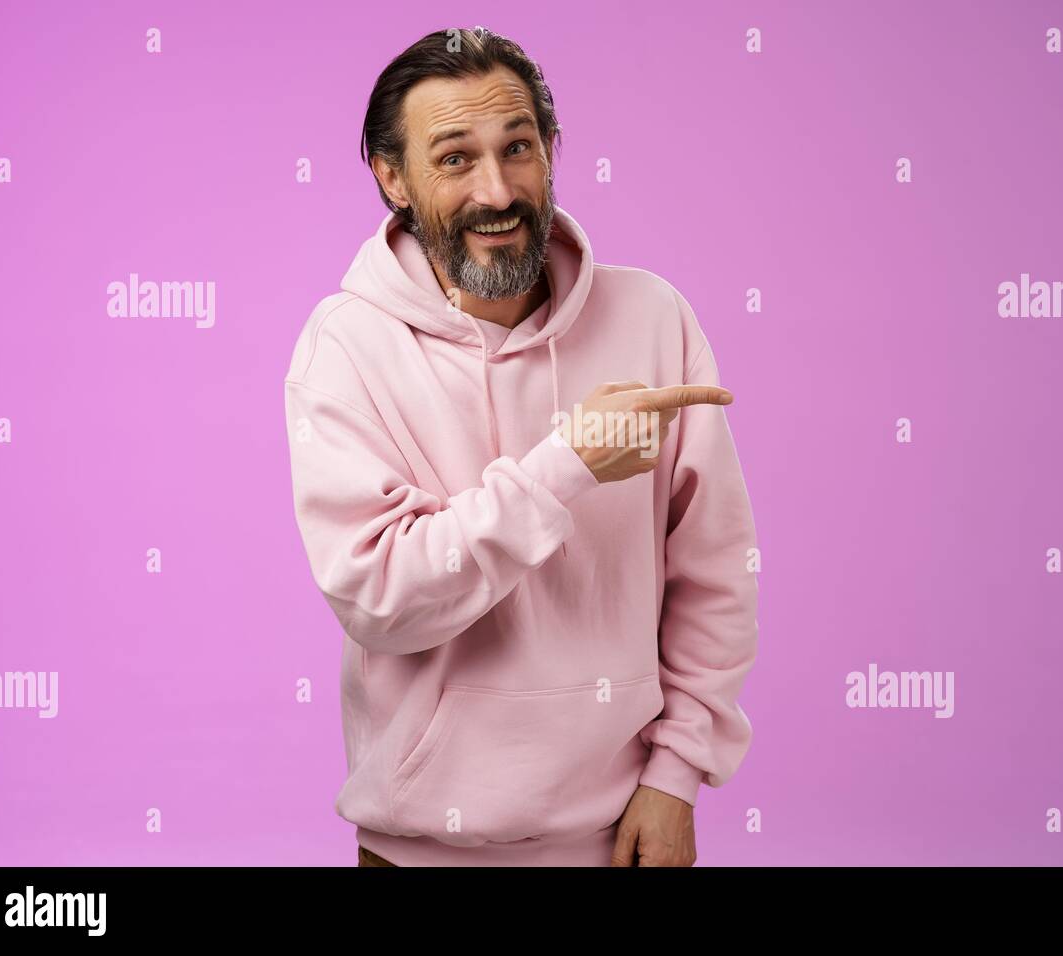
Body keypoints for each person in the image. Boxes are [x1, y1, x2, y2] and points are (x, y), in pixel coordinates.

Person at [283, 27, 758, 867]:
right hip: (417, 848)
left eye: (519, 148)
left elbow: (715, 574)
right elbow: (380, 598)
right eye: (455, 159)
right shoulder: (345, 345)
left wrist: (678, 774)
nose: (498, 191)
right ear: (392, 179)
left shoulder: (653, 320)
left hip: (622, 838)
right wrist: (566, 464)